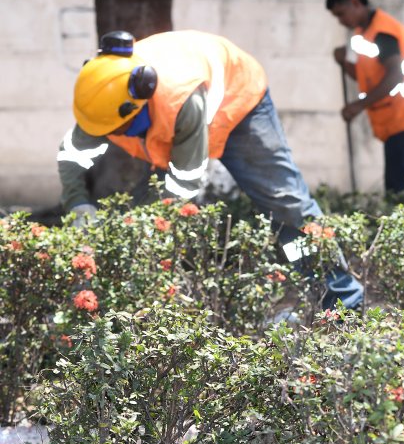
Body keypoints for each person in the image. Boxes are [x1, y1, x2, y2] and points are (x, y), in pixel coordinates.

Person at [59, 29, 364, 310]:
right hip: (176, 125)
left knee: (287, 205)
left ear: (137, 103)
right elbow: (73, 155)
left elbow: (183, 185)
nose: (110, 134)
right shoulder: (104, 98)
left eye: (119, 128)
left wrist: (148, 233)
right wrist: (78, 204)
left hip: (239, 104)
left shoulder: (180, 99)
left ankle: (341, 301)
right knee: (143, 217)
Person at [326, 0, 404, 193]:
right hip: (400, 119)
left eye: (341, 14)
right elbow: (368, 77)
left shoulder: (383, 31)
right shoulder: (364, 33)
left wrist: (358, 105)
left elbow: (394, 76)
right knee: (397, 186)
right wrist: (344, 63)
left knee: (403, 188)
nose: (341, 21)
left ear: (355, 2)